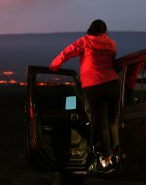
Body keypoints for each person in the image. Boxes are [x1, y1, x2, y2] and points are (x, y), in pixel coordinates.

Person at [49, 19, 120, 173]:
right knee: (113, 121)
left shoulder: (85, 41)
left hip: (95, 86)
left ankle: (106, 160)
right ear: (104, 31)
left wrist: (55, 64)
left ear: (91, 29)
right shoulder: (111, 43)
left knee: (102, 124)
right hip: (114, 84)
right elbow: (113, 59)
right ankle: (115, 154)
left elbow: (67, 52)